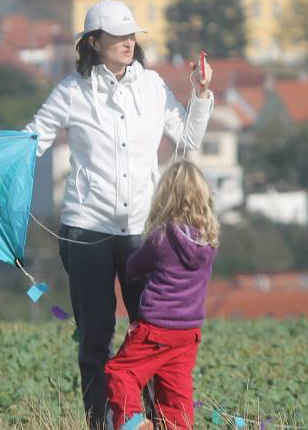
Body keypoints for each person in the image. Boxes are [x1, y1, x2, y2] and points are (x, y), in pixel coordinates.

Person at [0, 0, 214, 429]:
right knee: (95, 340)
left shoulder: (153, 87)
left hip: (142, 231)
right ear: (94, 42)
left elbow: (189, 142)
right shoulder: (70, 91)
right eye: (118, 35)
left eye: (131, 34)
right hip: (85, 233)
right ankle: (102, 423)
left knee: (148, 338)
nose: (128, 42)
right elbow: (31, 143)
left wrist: (201, 93)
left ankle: (157, 422)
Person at [104, 160, 220, 430]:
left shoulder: (161, 237)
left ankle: (134, 422)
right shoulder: (209, 241)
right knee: (175, 393)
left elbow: (133, 267)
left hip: (155, 328)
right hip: (188, 332)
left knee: (120, 372)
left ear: (166, 197)